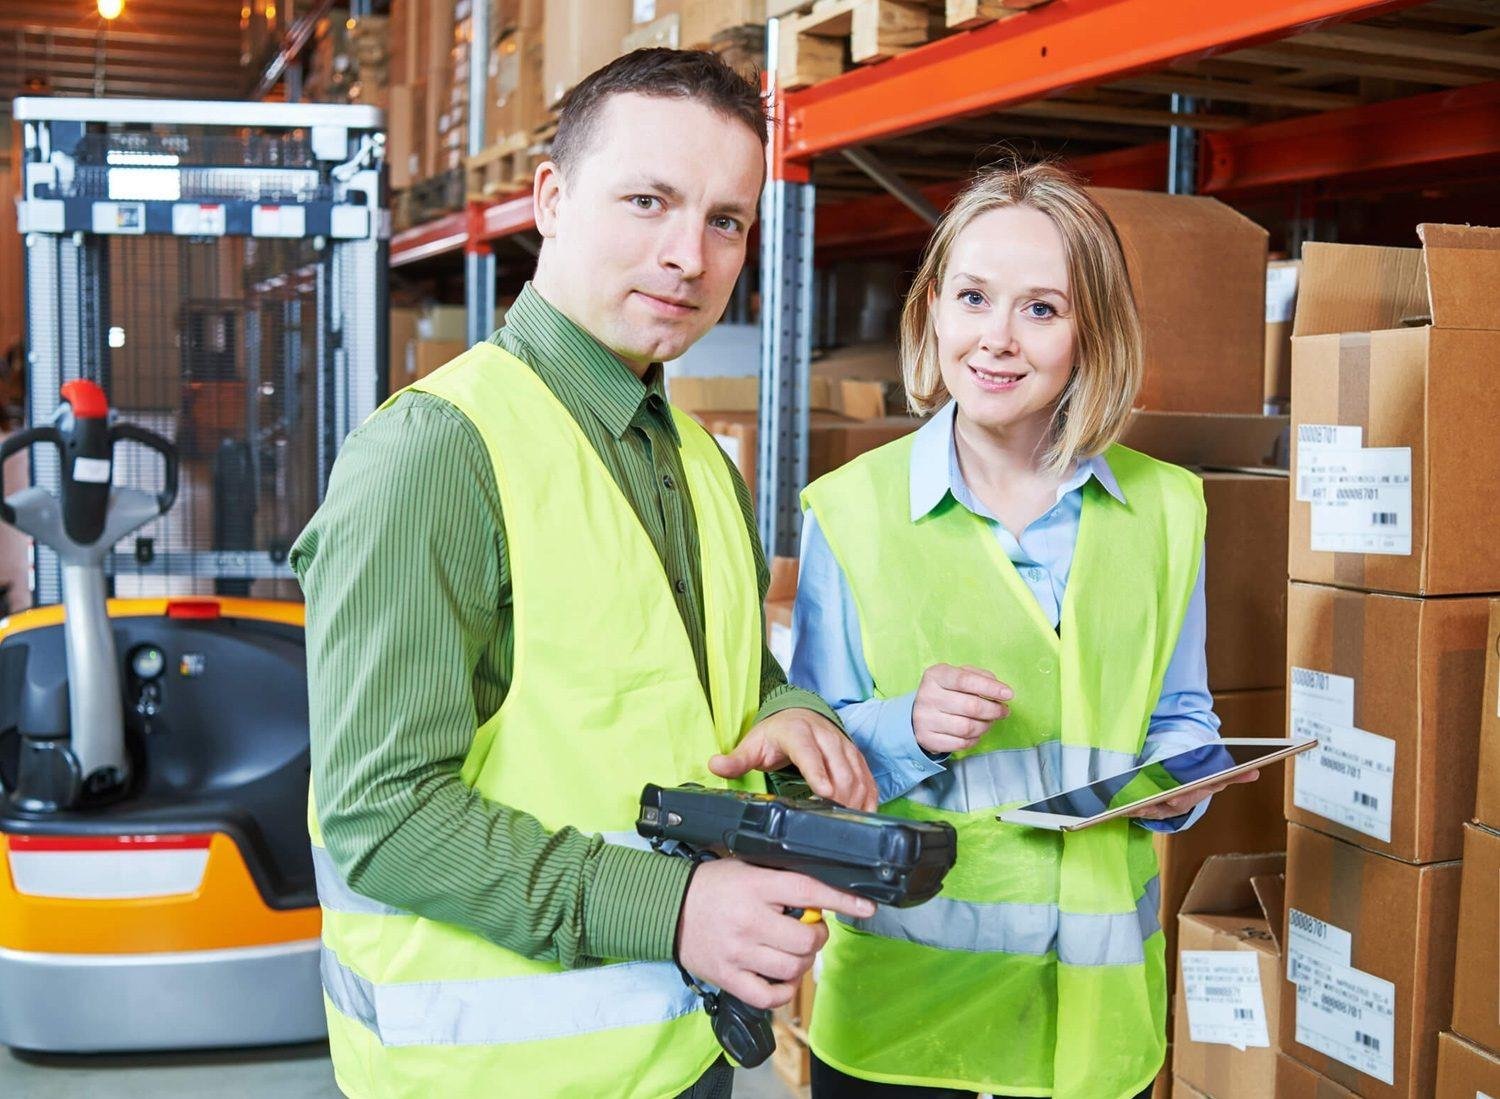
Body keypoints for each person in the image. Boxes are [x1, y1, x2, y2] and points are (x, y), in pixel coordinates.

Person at [292, 49, 880, 1099]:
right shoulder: (437, 455)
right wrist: (675, 908)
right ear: (551, 202)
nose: (687, 256)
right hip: (490, 1076)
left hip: (677, 1050)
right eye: (648, 201)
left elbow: (701, 688)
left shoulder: (695, 458)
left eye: (726, 221)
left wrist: (785, 711)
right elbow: (382, 813)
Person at [790, 163, 1254, 1099]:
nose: (997, 338)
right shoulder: (850, 511)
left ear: (1093, 333)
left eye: (1042, 309)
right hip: (905, 1023)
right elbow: (805, 766)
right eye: (973, 298)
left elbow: (1181, 713)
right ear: (932, 310)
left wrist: (1183, 779)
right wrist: (907, 726)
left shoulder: (1169, 510)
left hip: (1096, 1025)